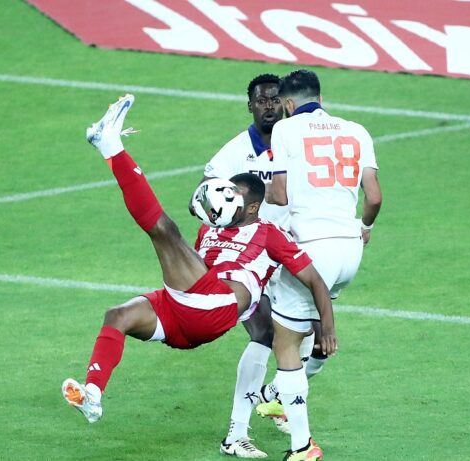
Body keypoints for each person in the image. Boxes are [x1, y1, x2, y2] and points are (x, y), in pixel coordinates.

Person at [60, 94, 339, 448]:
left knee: (164, 231)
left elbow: (313, 278)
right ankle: (92, 395)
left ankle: (110, 146)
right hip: (182, 310)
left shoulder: (270, 233)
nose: (227, 198)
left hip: (215, 305)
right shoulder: (210, 229)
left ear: (254, 206)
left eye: (235, 195)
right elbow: (197, 257)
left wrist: (326, 325)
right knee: (117, 316)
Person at [259, 69, 383, 460]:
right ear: (320, 98)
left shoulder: (285, 129)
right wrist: (365, 227)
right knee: (314, 326)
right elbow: (374, 197)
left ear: (287, 103)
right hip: (350, 250)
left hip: (311, 250)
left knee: (285, 342)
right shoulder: (357, 131)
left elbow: (280, 195)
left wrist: (251, 189)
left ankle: (302, 445)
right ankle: (277, 393)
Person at [202, 74, 314, 458]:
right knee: (265, 334)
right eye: (261, 100)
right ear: (250, 105)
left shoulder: (293, 143)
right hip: (249, 260)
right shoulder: (235, 152)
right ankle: (236, 434)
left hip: (286, 251)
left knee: (305, 329)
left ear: (284, 103)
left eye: (274, 99)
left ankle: (276, 397)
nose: (269, 106)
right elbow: (207, 196)